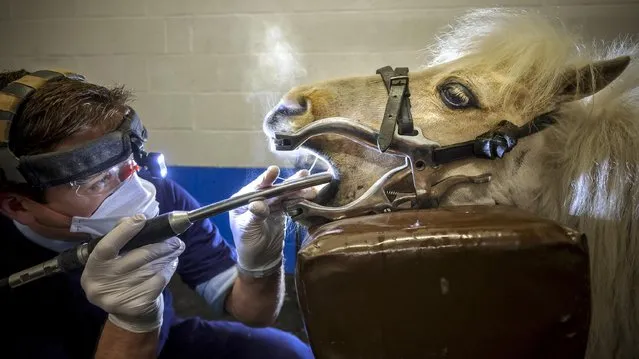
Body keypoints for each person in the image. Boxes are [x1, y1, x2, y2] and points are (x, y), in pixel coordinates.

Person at [0, 69, 316, 358]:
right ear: (17, 205)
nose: (137, 190)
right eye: (101, 180)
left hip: (161, 342)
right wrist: (130, 321)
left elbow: (255, 312)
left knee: (282, 353)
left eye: (131, 162)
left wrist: (259, 261)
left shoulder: (163, 197)